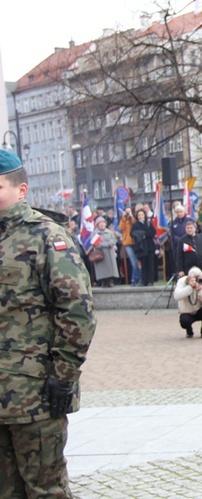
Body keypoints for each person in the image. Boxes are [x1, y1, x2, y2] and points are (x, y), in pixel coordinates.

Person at [0, 150, 97, 497]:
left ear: (22, 189)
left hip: (36, 395)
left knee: (45, 489)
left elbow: (78, 310)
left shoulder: (45, 237)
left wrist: (63, 376)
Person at [173, 266, 202, 338]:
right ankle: (189, 331)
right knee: (184, 321)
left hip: (199, 310)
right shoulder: (182, 282)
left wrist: (201, 290)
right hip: (187, 312)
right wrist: (190, 287)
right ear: (189, 278)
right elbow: (177, 296)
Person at [131, 208, 156, 287]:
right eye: (139, 215)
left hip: (149, 246)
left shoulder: (148, 223)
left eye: (142, 215)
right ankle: (144, 280)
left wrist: (145, 235)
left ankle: (150, 280)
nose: (141, 216)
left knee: (151, 264)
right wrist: (141, 235)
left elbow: (153, 232)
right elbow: (133, 234)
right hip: (141, 247)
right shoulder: (135, 225)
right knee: (143, 265)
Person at [119, 207, 142, 286]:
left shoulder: (133, 220)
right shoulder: (124, 220)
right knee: (133, 262)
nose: (128, 213)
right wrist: (124, 218)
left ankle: (136, 279)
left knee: (137, 262)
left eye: (129, 211)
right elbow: (121, 228)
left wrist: (131, 217)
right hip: (127, 243)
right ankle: (135, 279)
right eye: (127, 212)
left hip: (135, 243)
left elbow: (136, 225)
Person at [93, 216, 119, 287]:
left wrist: (109, 244)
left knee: (110, 267)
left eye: (103, 223)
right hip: (100, 253)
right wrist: (103, 245)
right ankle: (103, 281)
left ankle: (110, 281)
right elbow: (95, 243)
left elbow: (114, 240)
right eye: (100, 223)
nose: (102, 225)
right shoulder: (95, 233)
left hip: (109, 252)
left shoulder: (109, 232)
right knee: (102, 268)